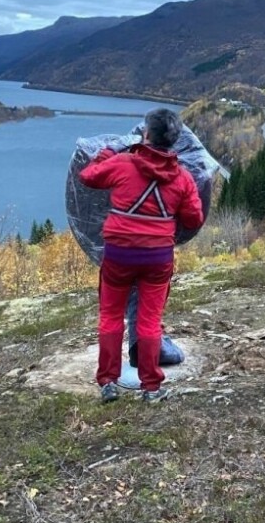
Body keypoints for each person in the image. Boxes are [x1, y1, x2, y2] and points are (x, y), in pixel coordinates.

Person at [79, 108, 204, 403]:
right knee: (149, 322)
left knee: (110, 316)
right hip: (157, 259)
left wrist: (110, 150)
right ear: (173, 141)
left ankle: (108, 382)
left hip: (119, 255)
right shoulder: (183, 178)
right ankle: (151, 388)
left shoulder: (122, 163)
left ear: (146, 134)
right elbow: (194, 219)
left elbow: (87, 176)